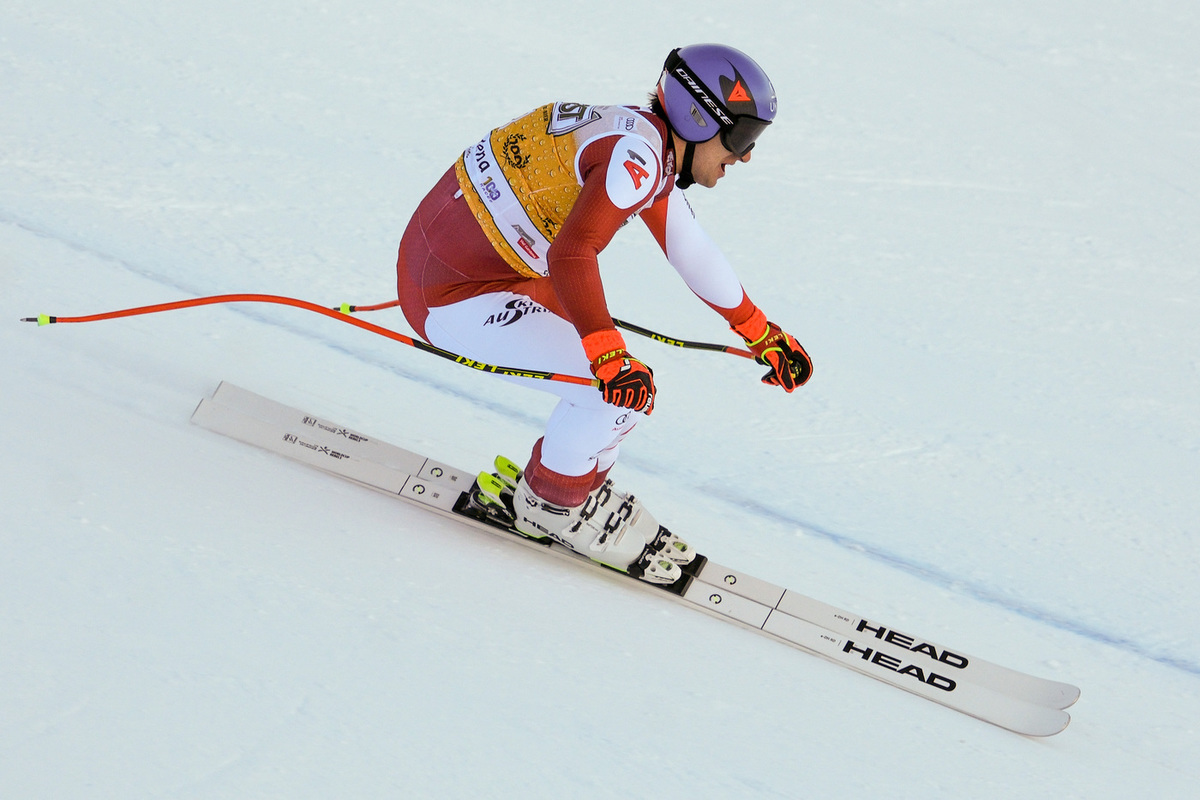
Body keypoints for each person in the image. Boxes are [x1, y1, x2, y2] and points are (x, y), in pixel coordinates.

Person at [395, 44, 812, 584]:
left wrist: (761, 333)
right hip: (454, 296)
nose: (746, 156)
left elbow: (690, 248)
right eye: (740, 139)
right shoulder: (638, 157)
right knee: (613, 393)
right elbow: (569, 255)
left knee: (618, 388)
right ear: (696, 116)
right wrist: (607, 355)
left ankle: (572, 478)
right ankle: (553, 502)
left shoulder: (642, 141)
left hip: (465, 273)